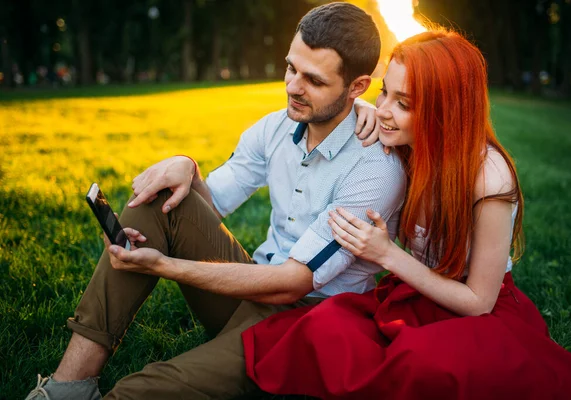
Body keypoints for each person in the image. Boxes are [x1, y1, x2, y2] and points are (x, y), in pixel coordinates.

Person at [25, 3, 407, 400]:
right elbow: (212, 203)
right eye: (292, 68)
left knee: (145, 391)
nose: (293, 86)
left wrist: (166, 267)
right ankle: (69, 385)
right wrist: (186, 167)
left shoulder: (375, 167)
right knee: (160, 197)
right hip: (254, 288)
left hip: (307, 323)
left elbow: (292, 284)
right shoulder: (278, 126)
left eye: (313, 80)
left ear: (357, 87)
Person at [241, 29, 571, 399]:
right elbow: (367, 114)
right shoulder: (404, 145)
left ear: (446, 110)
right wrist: (361, 109)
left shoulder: (488, 178)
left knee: (421, 364)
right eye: (384, 92)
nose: (384, 111)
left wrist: (387, 255)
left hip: (474, 312)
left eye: (404, 103)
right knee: (325, 324)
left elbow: (479, 303)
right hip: (413, 296)